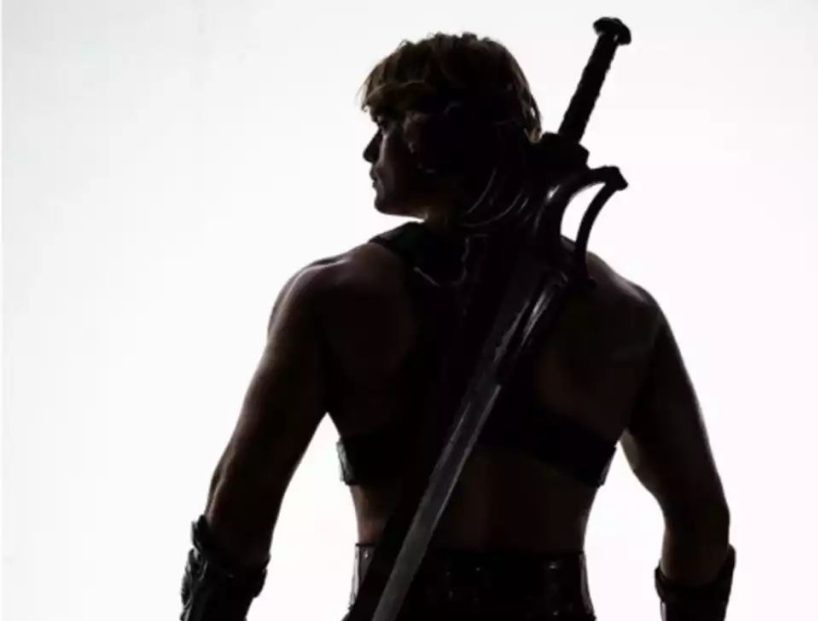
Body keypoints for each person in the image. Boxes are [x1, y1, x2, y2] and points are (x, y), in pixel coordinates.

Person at [179, 32, 735, 621]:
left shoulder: (335, 295)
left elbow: (240, 511)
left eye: (386, 125)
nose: (369, 152)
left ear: (431, 135)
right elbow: (701, 521)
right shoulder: (625, 313)